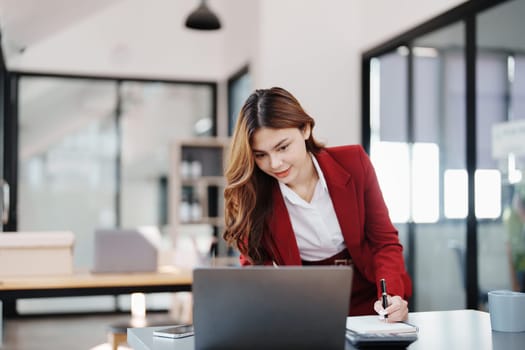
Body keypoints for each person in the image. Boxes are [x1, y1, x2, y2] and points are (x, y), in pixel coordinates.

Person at [223, 87, 412, 321]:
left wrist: (391, 296)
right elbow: (256, 270)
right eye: (260, 155)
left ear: (305, 129)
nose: (275, 163)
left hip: (371, 305)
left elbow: (384, 243)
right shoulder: (253, 193)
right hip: (303, 310)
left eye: (282, 147)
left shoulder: (354, 162)